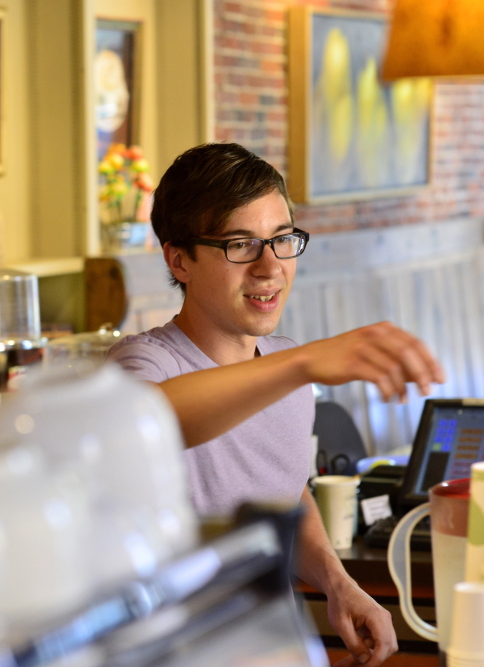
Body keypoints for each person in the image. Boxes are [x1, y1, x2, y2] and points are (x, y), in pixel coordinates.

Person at [106, 142, 445, 667]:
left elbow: (286, 493)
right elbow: (149, 422)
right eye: (240, 244)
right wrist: (301, 365)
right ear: (180, 259)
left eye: (282, 239)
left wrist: (338, 583)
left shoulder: (284, 365)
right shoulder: (144, 363)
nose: (270, 267)